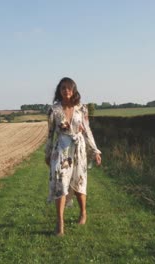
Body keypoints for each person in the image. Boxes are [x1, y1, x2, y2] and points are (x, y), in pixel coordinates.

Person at [45, 77, 102, 236]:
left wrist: (96, 150)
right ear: (59, 90)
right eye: (63, 88)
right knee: (60, 184)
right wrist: (48, 152)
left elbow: (87, 130)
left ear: (74, 90)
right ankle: (60, 223)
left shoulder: (82, 108)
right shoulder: (54, 110)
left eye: (69, 88)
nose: (66, 90)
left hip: (79, 149)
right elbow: (50, 134)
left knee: (79, 182)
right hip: (61, 149)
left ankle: (83, 212)